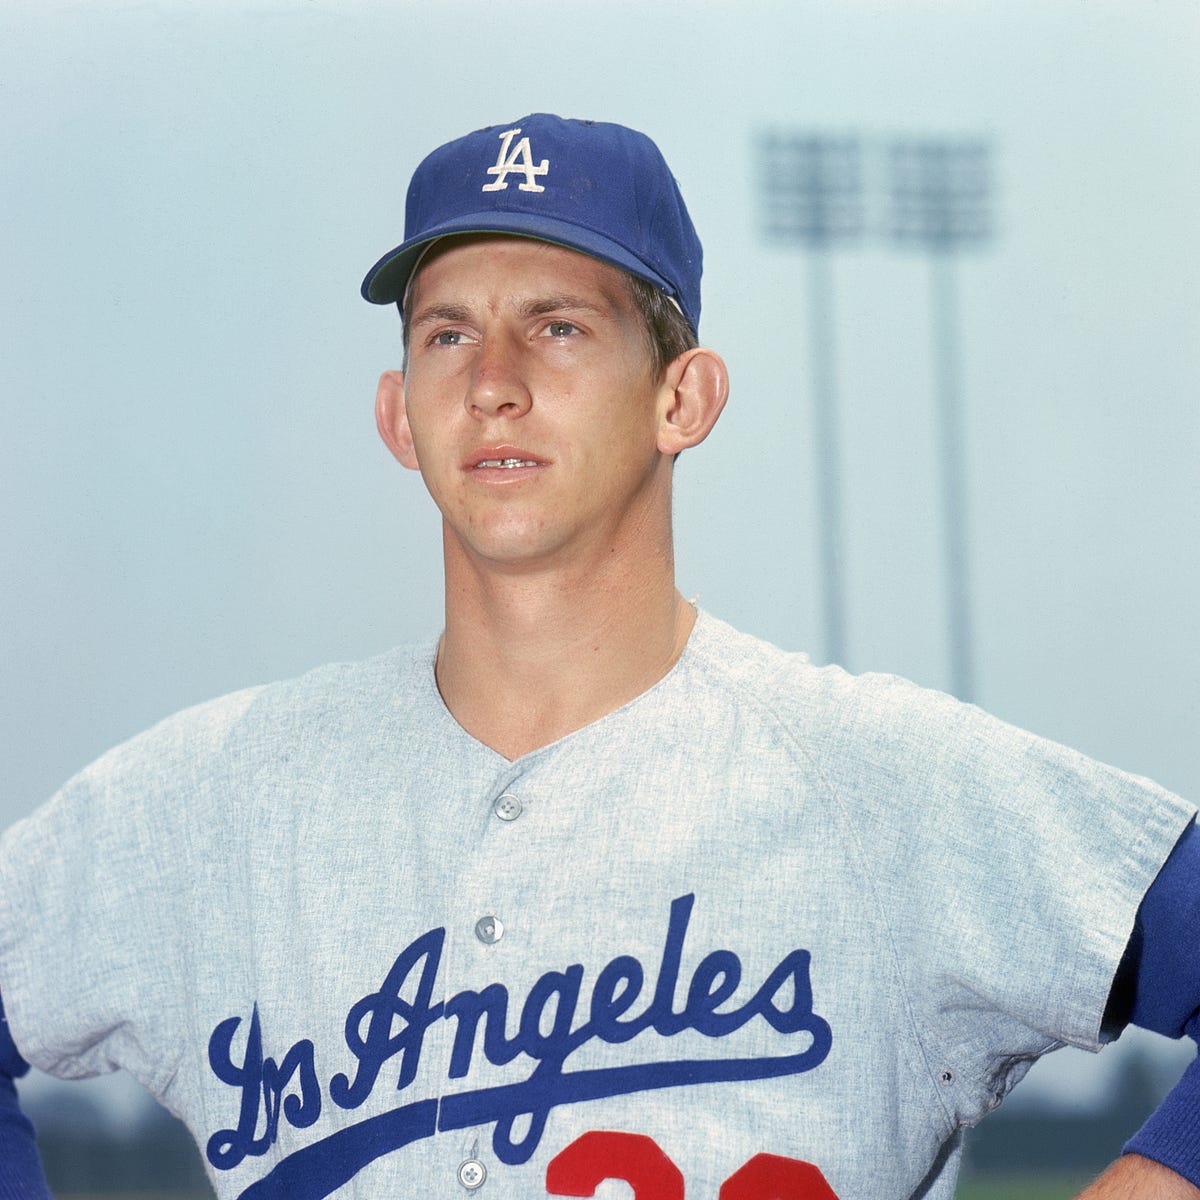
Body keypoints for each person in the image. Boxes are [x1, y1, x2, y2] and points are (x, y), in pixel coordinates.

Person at [0, 112, 1198, 1200]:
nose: (494, 385)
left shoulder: (875, 782)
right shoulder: (222, 795)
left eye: (559, 328)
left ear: (683, 399)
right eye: (447, 334)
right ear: (395, 413)